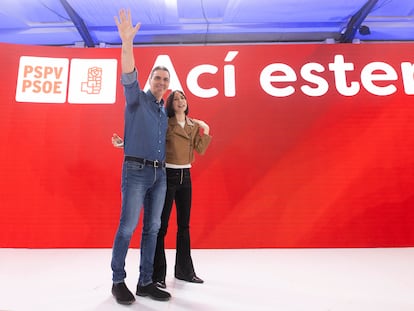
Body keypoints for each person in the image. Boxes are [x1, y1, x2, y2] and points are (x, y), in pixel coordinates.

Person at [112, 90, 212, 289]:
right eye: (176, 99)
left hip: (186, 177)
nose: (180, 101)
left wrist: (206, 130)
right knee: (160, 227)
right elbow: (150, 142)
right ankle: (157, 275)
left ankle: (184, 271)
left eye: (183, 98)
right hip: (168, 176)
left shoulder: (192, 126)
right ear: (170, 104)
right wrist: (125, 144)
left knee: (184, 226)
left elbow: (199, 150)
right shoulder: (165, 123)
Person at [110, 8, 171, 305]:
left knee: (153, 228)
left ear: (168, 86)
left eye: (164, 80)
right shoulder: (136, 100)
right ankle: (117, 280)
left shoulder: (163, 112)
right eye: (156, 78)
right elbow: (128, 76)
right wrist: (127, 43)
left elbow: (147, 139)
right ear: (149, 80)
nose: (160, 83)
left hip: (160, 174)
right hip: (135, 171)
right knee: (127, 226)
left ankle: (145, 281)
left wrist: (125, 142)